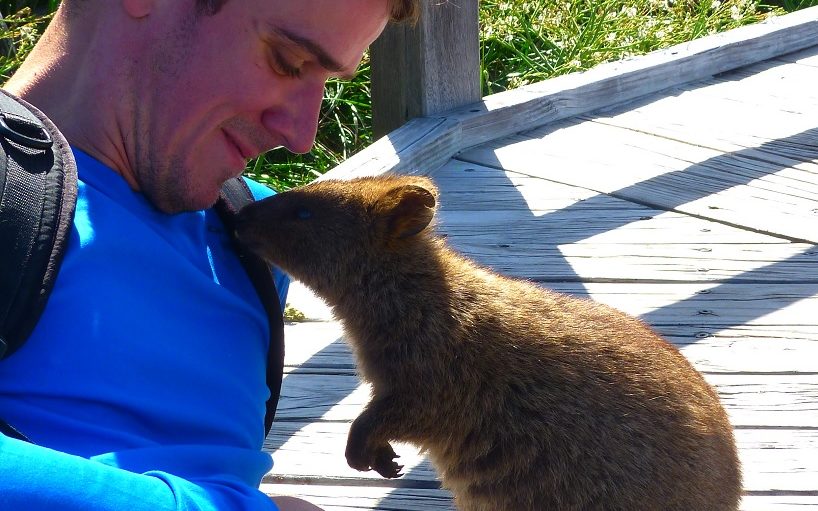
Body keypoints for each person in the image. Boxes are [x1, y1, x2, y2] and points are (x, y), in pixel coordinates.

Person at [0, 0, 418, 509]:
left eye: (330, 82)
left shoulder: (253, 241)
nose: (301, 135)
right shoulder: (13, 199)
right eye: (286, 60)